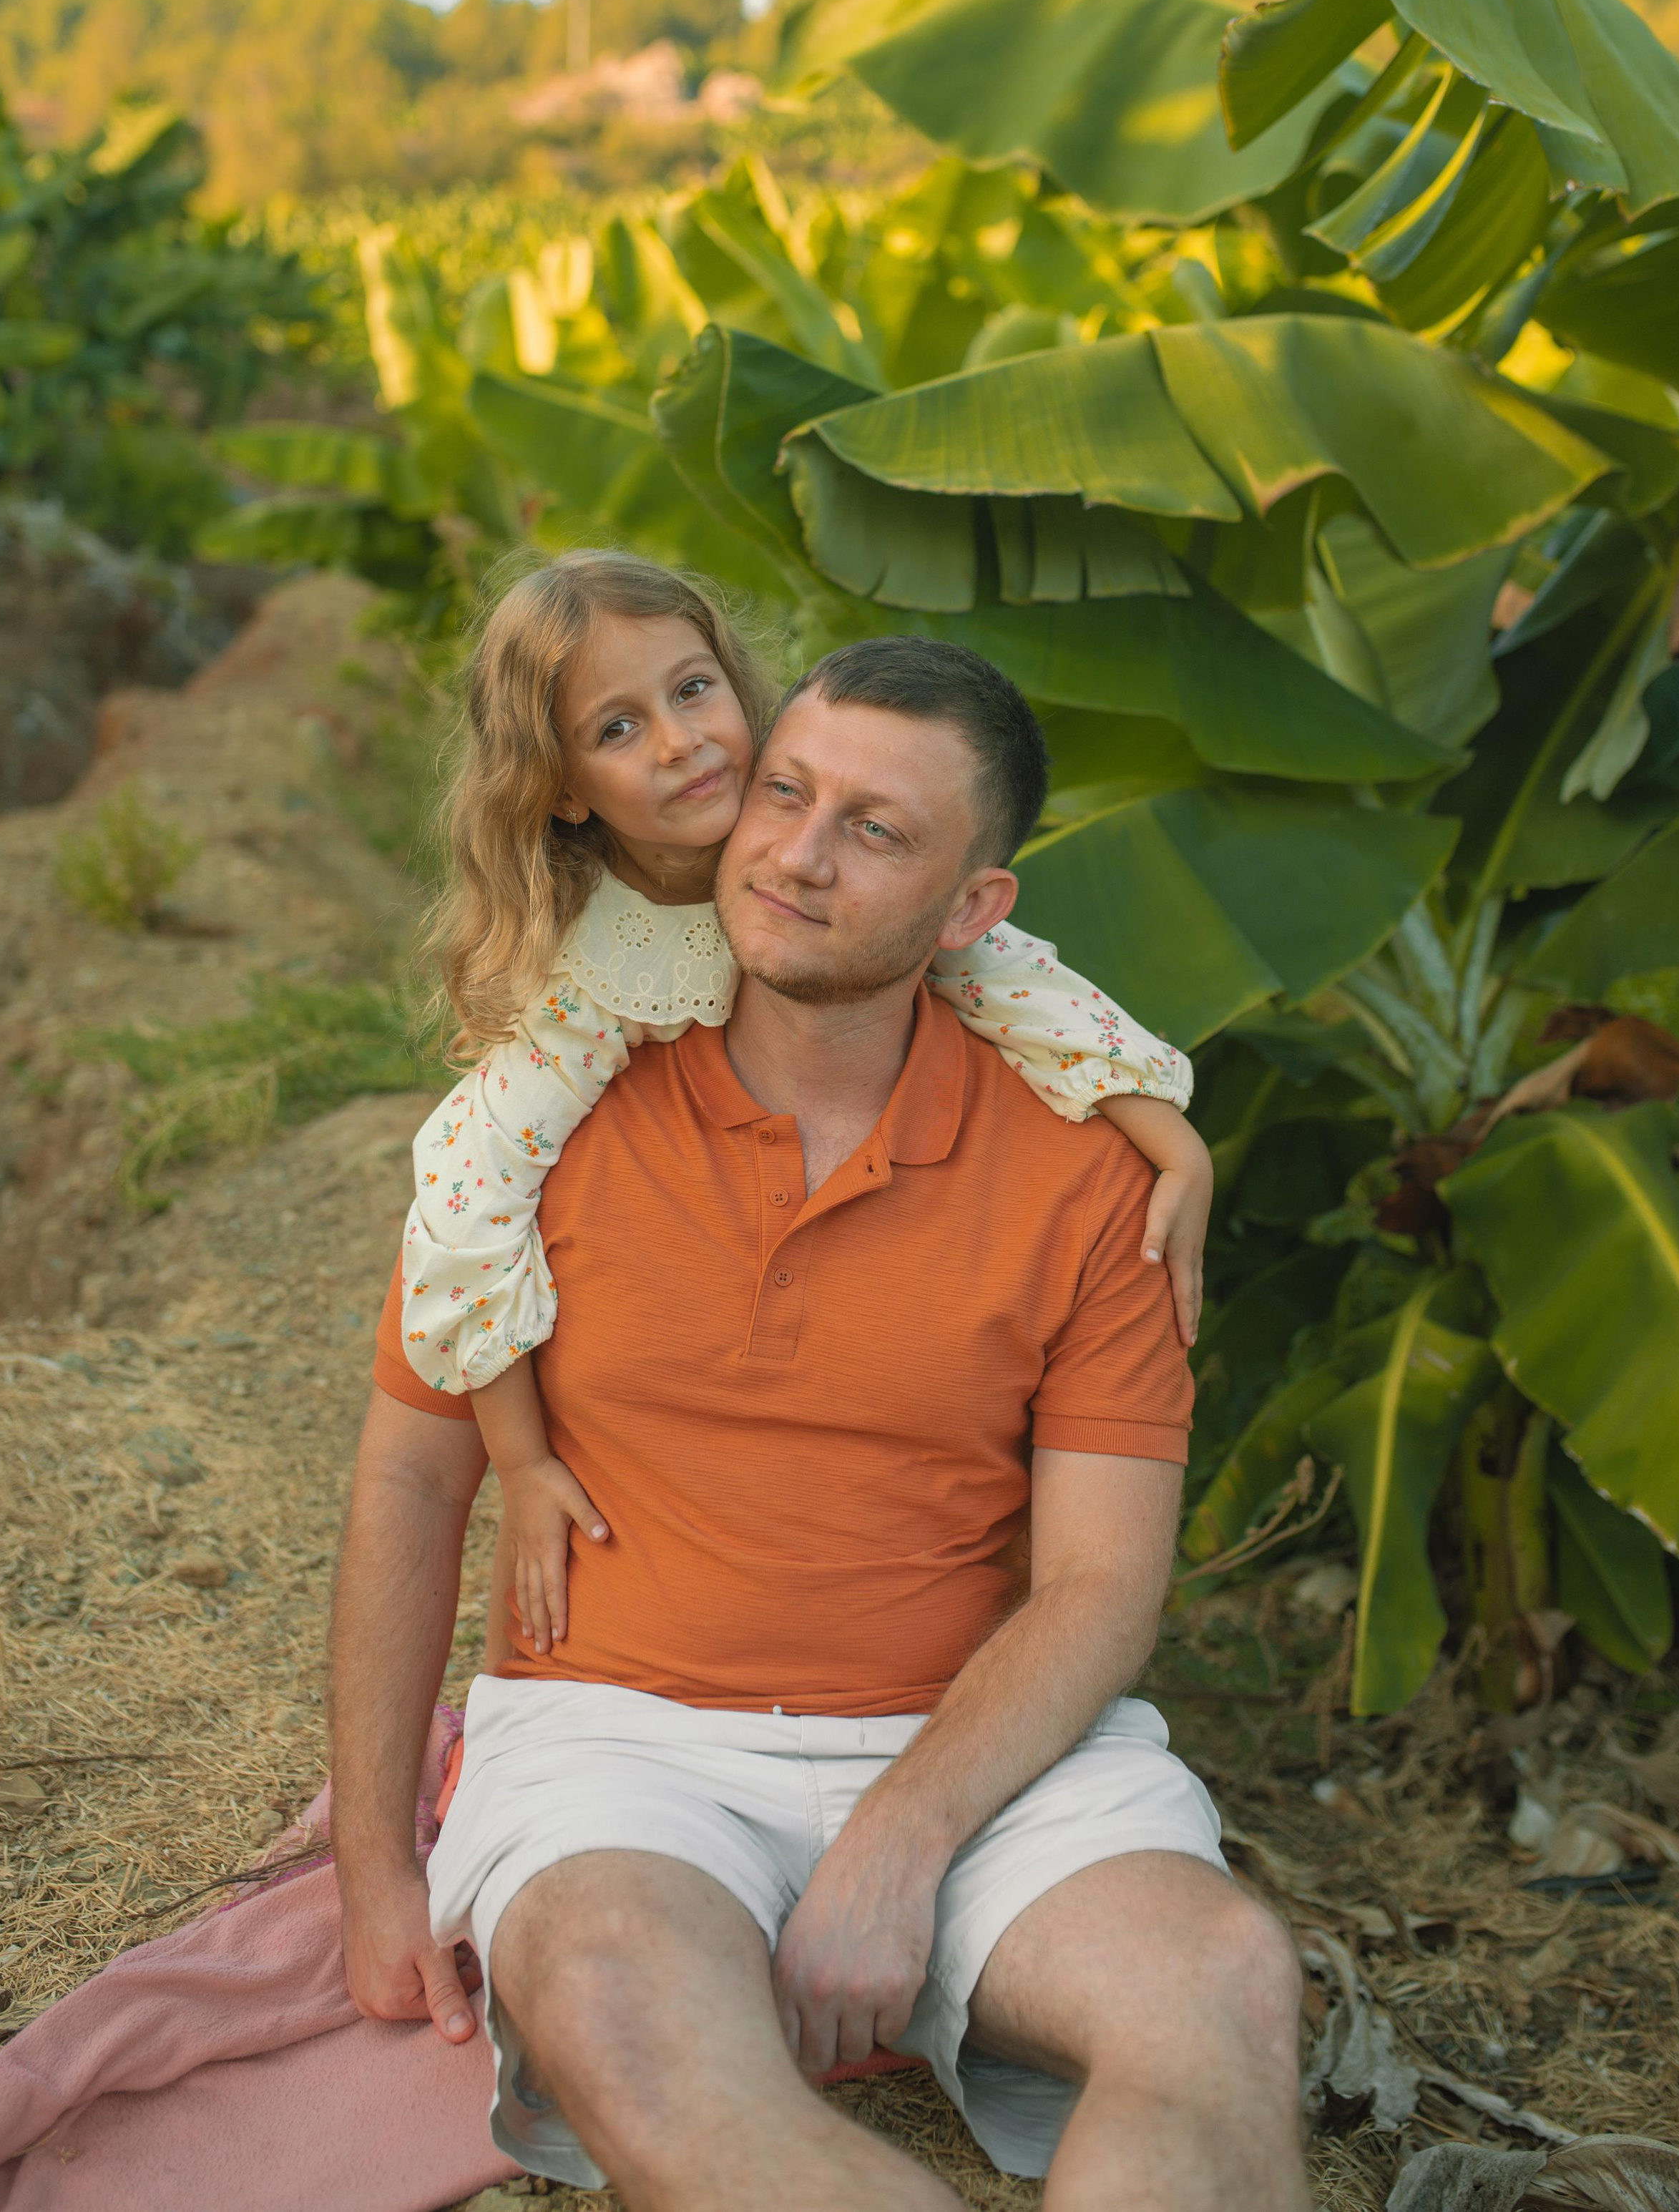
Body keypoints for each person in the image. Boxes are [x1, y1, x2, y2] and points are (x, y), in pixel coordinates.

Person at [331, 632, 1308, 2210]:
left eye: (876, 830)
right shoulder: (548, 1117)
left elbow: (1099, 1588)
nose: (794, 854)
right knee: (617, 1998)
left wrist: (902, 1836)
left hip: (984, 1754)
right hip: (621, 1747)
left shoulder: (1089, 1177)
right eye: (784, 793)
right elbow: (411, 1475)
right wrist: (376, 1867)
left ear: (971, 907)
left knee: (1225, 1982)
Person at [398, 549, 1213, 1653]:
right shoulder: (590, 987)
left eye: (691, 690)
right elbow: (470, 1200)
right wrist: (527, 1459)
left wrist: (1175, 1146)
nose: (681, 741)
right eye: (618, 728)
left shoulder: (788, 829)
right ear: (565, 788)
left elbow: (1012, 978)